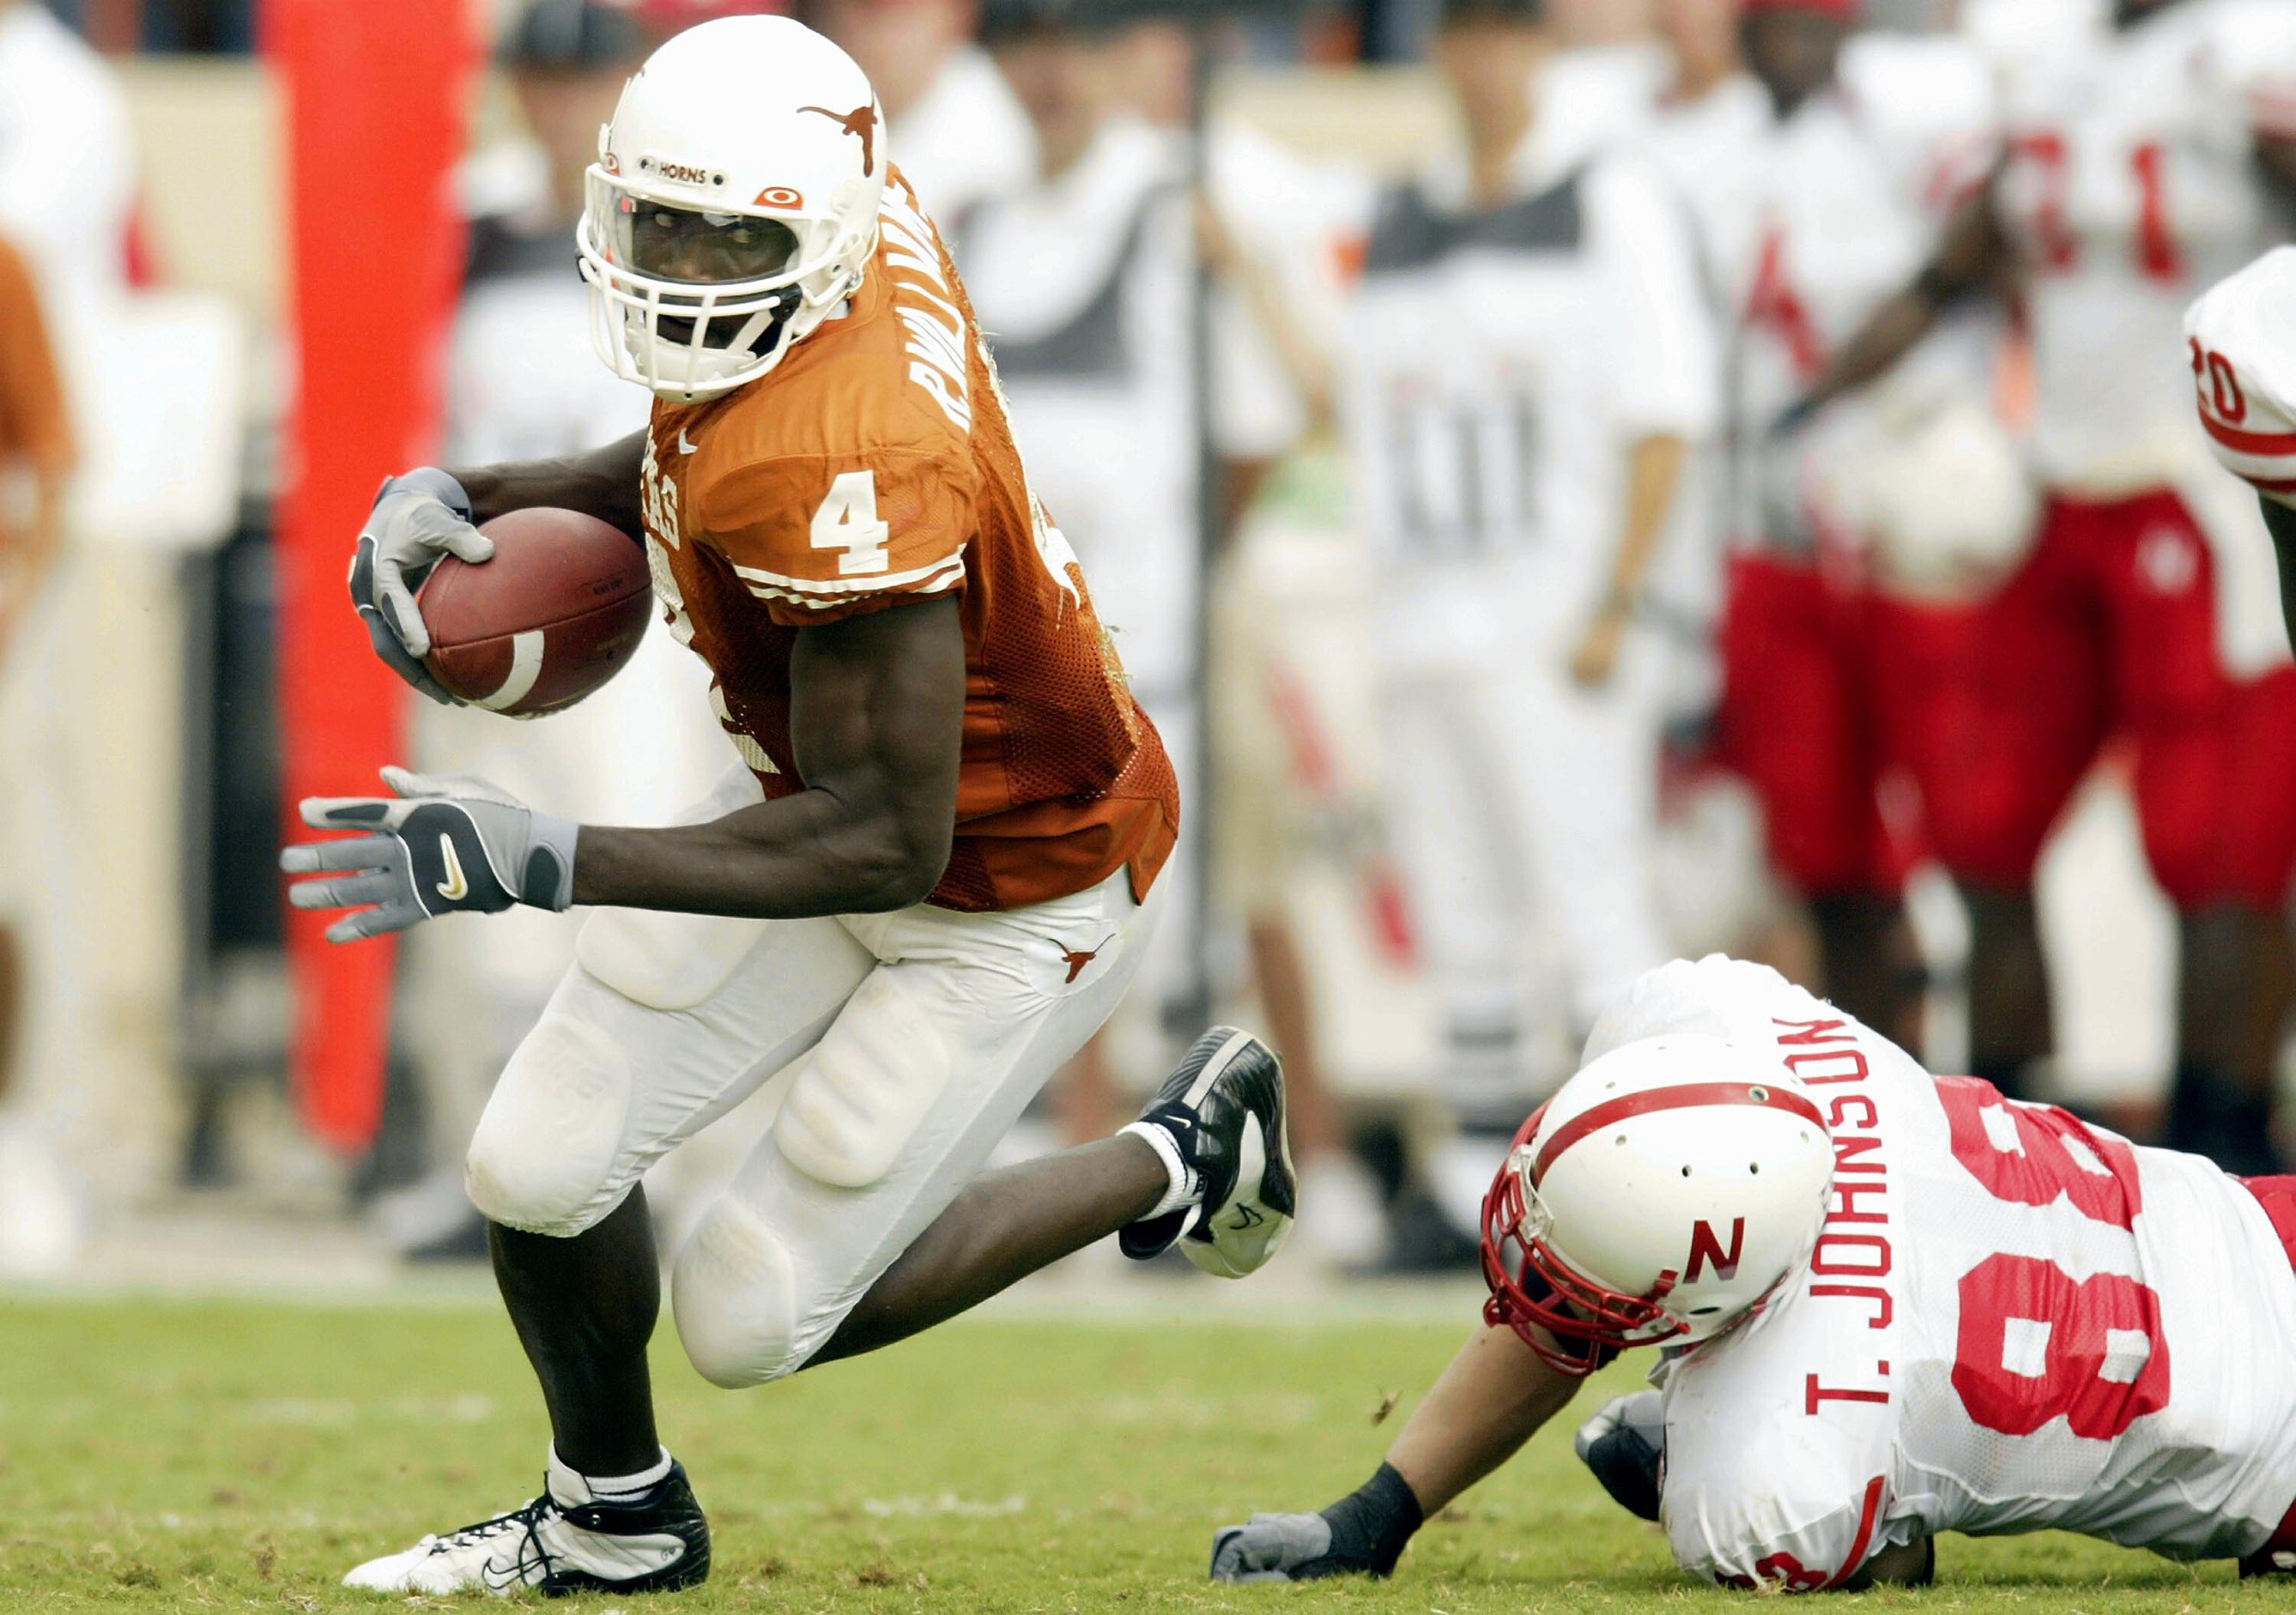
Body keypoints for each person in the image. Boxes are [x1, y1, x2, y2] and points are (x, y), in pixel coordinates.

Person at [281, 18, 1294, 1594]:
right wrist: (485, 494)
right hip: (823, 787)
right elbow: (708, 424)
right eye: (655, 225)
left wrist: (548, 859)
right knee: (536, 1159)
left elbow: (881, 838)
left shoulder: (859, 457)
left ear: (812, 229)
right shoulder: (837, 234)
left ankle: (1175, 1149)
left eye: (720, 237)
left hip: (1008, 874)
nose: (679, 268)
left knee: (750, 1318)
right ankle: (610, 1516)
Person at [1210, 953, 2296, 1591]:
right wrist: (1375, 1517)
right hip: (2258, 1219)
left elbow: (1885, 1559)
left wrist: (1688, 1432)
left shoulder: (1774, 1478)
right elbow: (1586, 1305)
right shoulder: (1739, 1022)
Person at [1786, 0, 2296, 1166]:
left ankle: (2227, 1157)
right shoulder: (2047, 50)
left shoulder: (2254, 43)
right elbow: (1960, 259)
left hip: (2199, 490)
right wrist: (1810, 399)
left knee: (2215, 852)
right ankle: (2007, 1143)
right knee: (1981, 823)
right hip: (2055, 486)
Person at [1340, 0, 1717, 1235]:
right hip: (1424, 620)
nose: (1482, 56)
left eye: (1505, 28)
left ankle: (1675, 1179)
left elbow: (1665, 410)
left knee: (1591, 899)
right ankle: (1474, 1192)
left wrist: (1617, 599)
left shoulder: (1608, 193)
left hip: (1554, 620)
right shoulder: (1403, 209)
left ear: (1541, 46)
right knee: (1462, 917)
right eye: (1462, 30)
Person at [387, 0, 728, 1261]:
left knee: (629, 877)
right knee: (474, 897)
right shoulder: (471, 223)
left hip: (626, 604)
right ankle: (486, 1161)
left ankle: (653, 1166)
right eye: (536, 74)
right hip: (474, 599)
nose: (552, 100)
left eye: (575, 76)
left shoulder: (672, 224)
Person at [1642, 0, 1999, 1046]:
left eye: (1815, 19)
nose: (1793, 38)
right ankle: (1874, 1091)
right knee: (1821, 854)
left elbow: (1997, 237)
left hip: (1903, 540)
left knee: (1944, 855)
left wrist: (1874, 368)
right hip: (1775, 541)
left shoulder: (1912, 115)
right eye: (1776, 21)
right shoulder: (1707, 155)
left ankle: (1964, 1100)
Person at [810, 0, 1034, 222]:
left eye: (892, 17)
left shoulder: (989, 145)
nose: (865, 37)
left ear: (958, 18)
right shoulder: (818, 97)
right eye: (857, 12)